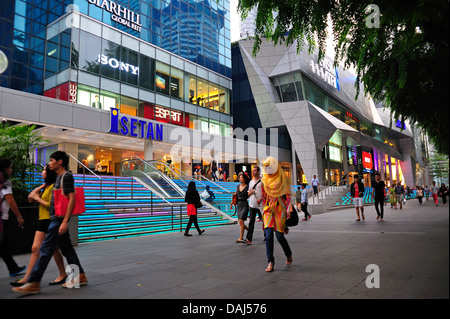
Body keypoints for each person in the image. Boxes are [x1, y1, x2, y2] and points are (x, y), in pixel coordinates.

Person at [13, 151, 87, 295]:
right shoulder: (59, 177)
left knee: (46, 249)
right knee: (66, 249)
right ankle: (80, 276)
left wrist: (65, 222)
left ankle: (34, 282)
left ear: (60, 162)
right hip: (56, 218)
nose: (49, 163)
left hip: (59, 219)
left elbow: (71, 199)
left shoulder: (66, 176)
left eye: (52, 160)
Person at [10, 164, 67, 287]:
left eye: (44, 171)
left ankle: (29, 278)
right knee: (45, 249)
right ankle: (29, 277)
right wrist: (39, 191)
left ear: (49, 173)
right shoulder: (47, 187)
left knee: (44, 249)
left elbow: (52, 206)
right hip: (43, 220)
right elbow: (33, 195)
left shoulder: (54, 187)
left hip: (50, 220)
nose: (41, 173)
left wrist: (37, 198)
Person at [261, 157, 293, 272]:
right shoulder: (264, 180)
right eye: (266, 167)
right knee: (268, 236)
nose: (267, 169)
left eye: (269, 167)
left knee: (280, 236)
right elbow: (264, 196)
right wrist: (263, 207)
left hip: (280, 209)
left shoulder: (282, 177)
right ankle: (270, 261)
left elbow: (288, 195)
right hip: (269, 210)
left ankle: (288, 254)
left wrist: (288, 209)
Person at [0, 158, 26, 277]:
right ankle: (13, 268)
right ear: (5, 168)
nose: (11, 170)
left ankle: (13, 268)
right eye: (10, 167)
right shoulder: (5, 181)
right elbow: (10, 201)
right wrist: (19, 216)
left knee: (3, 245)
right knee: (2, 243)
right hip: (1, 218)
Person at [246, 166, 263, 245]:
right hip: (252, 204)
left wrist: (261, 199)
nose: (253, 172)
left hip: (261, 205)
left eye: (255, 170)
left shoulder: (263, 181)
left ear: (258, 172)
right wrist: (251, 192)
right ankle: (249, 239)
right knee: (251, 222)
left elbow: (266, 192)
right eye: (252, 171)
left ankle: (267, 235)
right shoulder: (251, 182)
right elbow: (249, 193)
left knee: (265, 221)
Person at [230, 172, 249, 243]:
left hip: (244, 204)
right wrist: (231, 203)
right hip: (239, 204)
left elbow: (249, 194)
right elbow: (235, 195)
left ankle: (241, 237)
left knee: (241, 221)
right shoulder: (238, 186)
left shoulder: (247, 186)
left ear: (244, 179)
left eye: (241, 177)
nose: (239, 179)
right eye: (239, 177)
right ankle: (249, 230)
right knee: (241, 222)